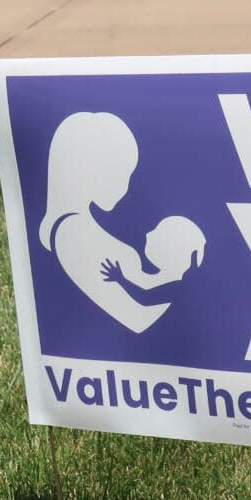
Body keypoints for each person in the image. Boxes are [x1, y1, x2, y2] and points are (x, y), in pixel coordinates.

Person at [39, 111, 204, 333]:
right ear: (89, 169)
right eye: (121, 174)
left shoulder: (78, 230)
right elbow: (138, 318)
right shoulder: (71, 232)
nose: (125, 188)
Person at [99, 216, 206, 306]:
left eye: (159, 234)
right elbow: (146, 298)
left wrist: (120, 279)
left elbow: (146, 298)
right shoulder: (181, 286)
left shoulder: (179, 288)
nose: (148, 234)